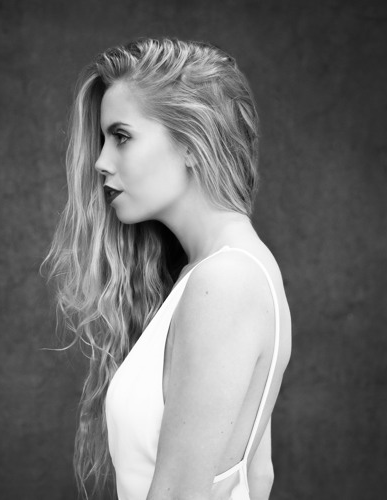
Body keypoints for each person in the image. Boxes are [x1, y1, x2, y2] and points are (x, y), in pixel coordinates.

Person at [44, 37, 291, 500]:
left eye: (121, 136)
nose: (100, 162)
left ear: (192, 142)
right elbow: (259, 476)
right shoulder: (222, 271)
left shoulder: (225, 282)